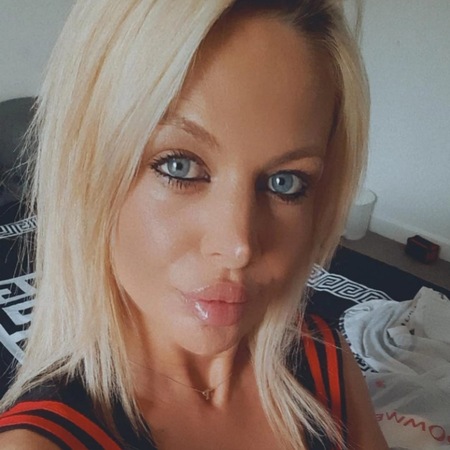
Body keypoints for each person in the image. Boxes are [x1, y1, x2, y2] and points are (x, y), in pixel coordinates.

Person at [0, 1, 388, 449]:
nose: (238, 246)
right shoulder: (38, 441)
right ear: (89, 174)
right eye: (179, 166)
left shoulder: (325, 359)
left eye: (285, 182)